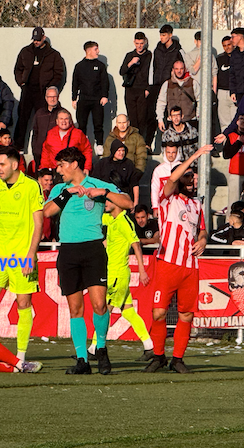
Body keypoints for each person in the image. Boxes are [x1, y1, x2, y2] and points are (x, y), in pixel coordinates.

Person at [43, 147, 133, 375]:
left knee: (99, 305)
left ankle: (101, 348)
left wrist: (103, 193)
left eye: (62, 165)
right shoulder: (60, 188)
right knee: (75, 308)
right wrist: (69, 192)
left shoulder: (96, 184)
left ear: (74, 164)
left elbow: (127, 203)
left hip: (93, 249)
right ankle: (82, 360)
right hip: (68, 251)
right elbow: (47, 211)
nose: (58, 170)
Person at [145, 145, 212, 374]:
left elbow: (202, 230)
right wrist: (193, 156)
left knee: (186, 314)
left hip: (190, 266)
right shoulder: (167, 199)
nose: (193, 181)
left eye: (193, 177)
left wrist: (203, 240)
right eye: (189, 177)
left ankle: (178, 358)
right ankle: (158, 355)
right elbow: (172, 178)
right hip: (167, 263)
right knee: (159, 312)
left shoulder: (197, 205)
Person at [0, 147, 43, 362]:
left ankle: (21, 355)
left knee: (24, 304)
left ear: (15, 165)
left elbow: (39, 222)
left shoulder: (31, 186)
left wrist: (30, 254)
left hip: (22, 256)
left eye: (2, 164)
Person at [87, 197, 152, 360]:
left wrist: (142, 270)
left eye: (108, 201)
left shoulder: (124, 222)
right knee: (129, 312)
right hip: (112, 273)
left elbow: (136, 244)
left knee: (103, 310)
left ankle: (94, 348)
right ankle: (149, 346)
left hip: (117, 274)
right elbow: (93, 217)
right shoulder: (111, 218)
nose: (105, 204)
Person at [13, 27, 65, 151]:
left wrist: (50, 88)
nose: (36, 42)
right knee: (22, 118)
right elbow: (18, 69)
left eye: (38, 39)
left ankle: (43, 146)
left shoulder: (53, 54)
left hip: (42, 92)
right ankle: (18, 147)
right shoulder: (25, 51)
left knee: (42, 120)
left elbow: (59, 73)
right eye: (34, 39)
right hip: (27, 90)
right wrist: (21, 83)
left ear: (44, 38)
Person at [146, 24, 184, 150]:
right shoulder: (157, 49)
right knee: (151, 113)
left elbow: (181, 68)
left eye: (164, 35)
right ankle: (148, 144)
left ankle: (170, 144)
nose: (161, 38)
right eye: (160, 35)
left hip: (169, 85)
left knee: (170, 114)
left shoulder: (178, 51)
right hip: (157, 84)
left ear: (170, 35)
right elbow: (153, 67)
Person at [71, 41, 110, 156]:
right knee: (81, 124)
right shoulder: (79, 66)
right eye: (95, 49)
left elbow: (105, 83)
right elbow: (75, 82)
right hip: (83, 99)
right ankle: (81, 144)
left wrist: (104, 96)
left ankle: (99, 145)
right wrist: (74, 98)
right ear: (88, 51)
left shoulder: (101, 66)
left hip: (97, 100)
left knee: (98, 124)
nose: (98, 51)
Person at [218, 114, 244, 209]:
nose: (243, 121)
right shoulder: (231, 136)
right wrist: (238, 142)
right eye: (241, 119)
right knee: (233, 203)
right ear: (236, 122)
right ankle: (230, 222)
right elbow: (226, 155)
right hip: (236, 174)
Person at [120, 31, 152, 140]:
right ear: (134, 42)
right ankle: (133, 142)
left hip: (143, 90)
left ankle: (141, 142)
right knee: (132, 118)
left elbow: (152, 73)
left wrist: (148, 88)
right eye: (137, 43)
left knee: (142, 118)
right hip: (130, 90)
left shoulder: (149, 55)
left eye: (141, 43)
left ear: (145, 42)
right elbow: (122, 71)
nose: (139, 46)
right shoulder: (130, 55)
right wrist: (131, 63)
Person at [156, 59, 198, 132]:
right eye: (176, 69)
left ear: (185, 69)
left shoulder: (193, 82)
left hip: (190, 121)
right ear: (173, 70)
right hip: (172, 123)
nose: (179, 71)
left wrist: (198, 116)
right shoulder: (167, 84)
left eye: (181, 69)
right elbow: (161, 102)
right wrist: (160, 119)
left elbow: (201, 100)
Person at [31, 87, 63, 169]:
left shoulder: (63, 114)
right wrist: (35, 150)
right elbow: (35, 133)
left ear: (58, 97)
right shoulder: (39, 113)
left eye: (54, 97)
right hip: (40, 153)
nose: (52, 99)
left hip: (56, 154)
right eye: (49, 97)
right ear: (46, 98)